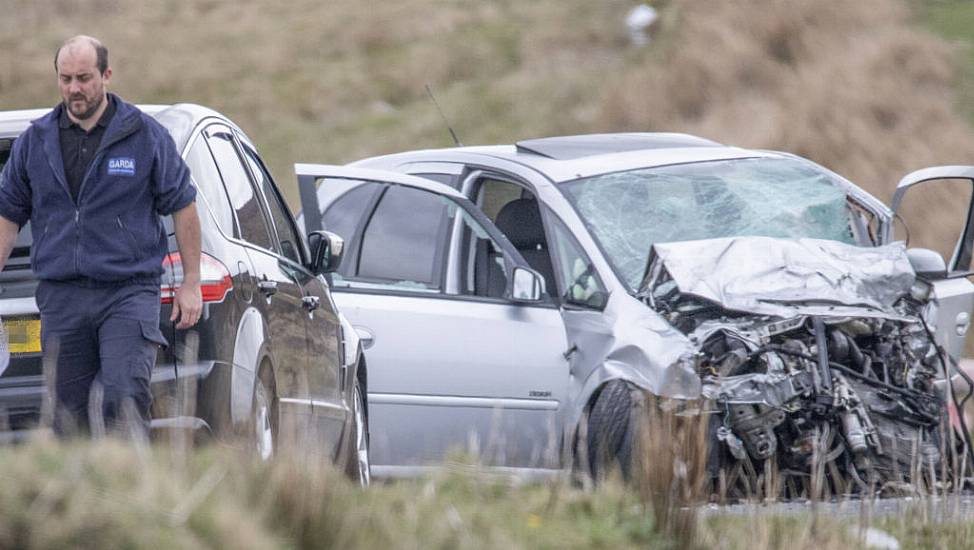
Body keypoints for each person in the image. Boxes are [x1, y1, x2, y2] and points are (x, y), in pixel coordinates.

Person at [0, 35, 202, 438]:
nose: (74, 88)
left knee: (123, 396)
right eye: (65, 78)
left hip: (127, 291)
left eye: (84, 78)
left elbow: (184, 206)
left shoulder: (144, 136)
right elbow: (7, 218)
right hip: (62, 296)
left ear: (106, 76)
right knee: (66, 415)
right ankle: (84, 497)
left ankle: (131, 492)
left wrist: (191, 282)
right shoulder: (35, 143)